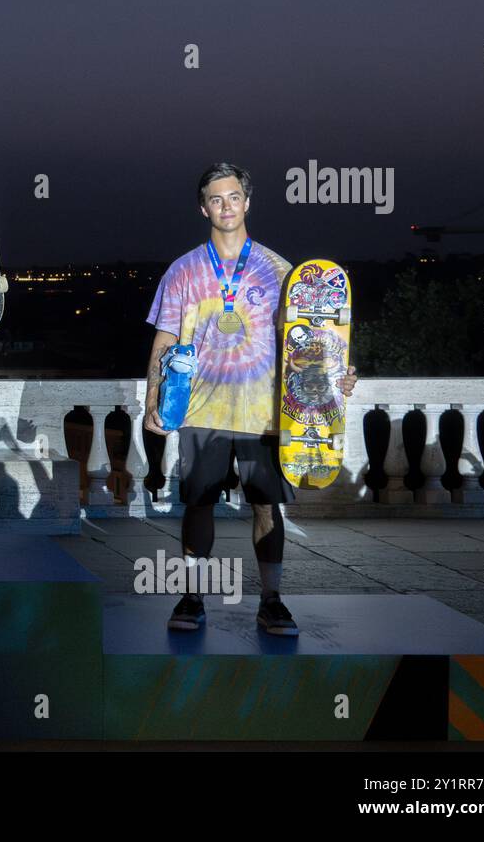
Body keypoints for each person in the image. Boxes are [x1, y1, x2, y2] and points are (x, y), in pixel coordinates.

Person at [143, 162, 357, 636]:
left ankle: (273, 602)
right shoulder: (183, 271)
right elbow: (162, 339)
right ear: (204, 208)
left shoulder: (281, 270)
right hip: (202, 408)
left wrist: (338, 377)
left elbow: (313, 341)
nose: (226, 206)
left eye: (234, 196)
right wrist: (152, 397)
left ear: (247, 202)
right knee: (197, 505)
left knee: (266, 507)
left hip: (264, 414)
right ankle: (191, 596)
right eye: (216, 199)